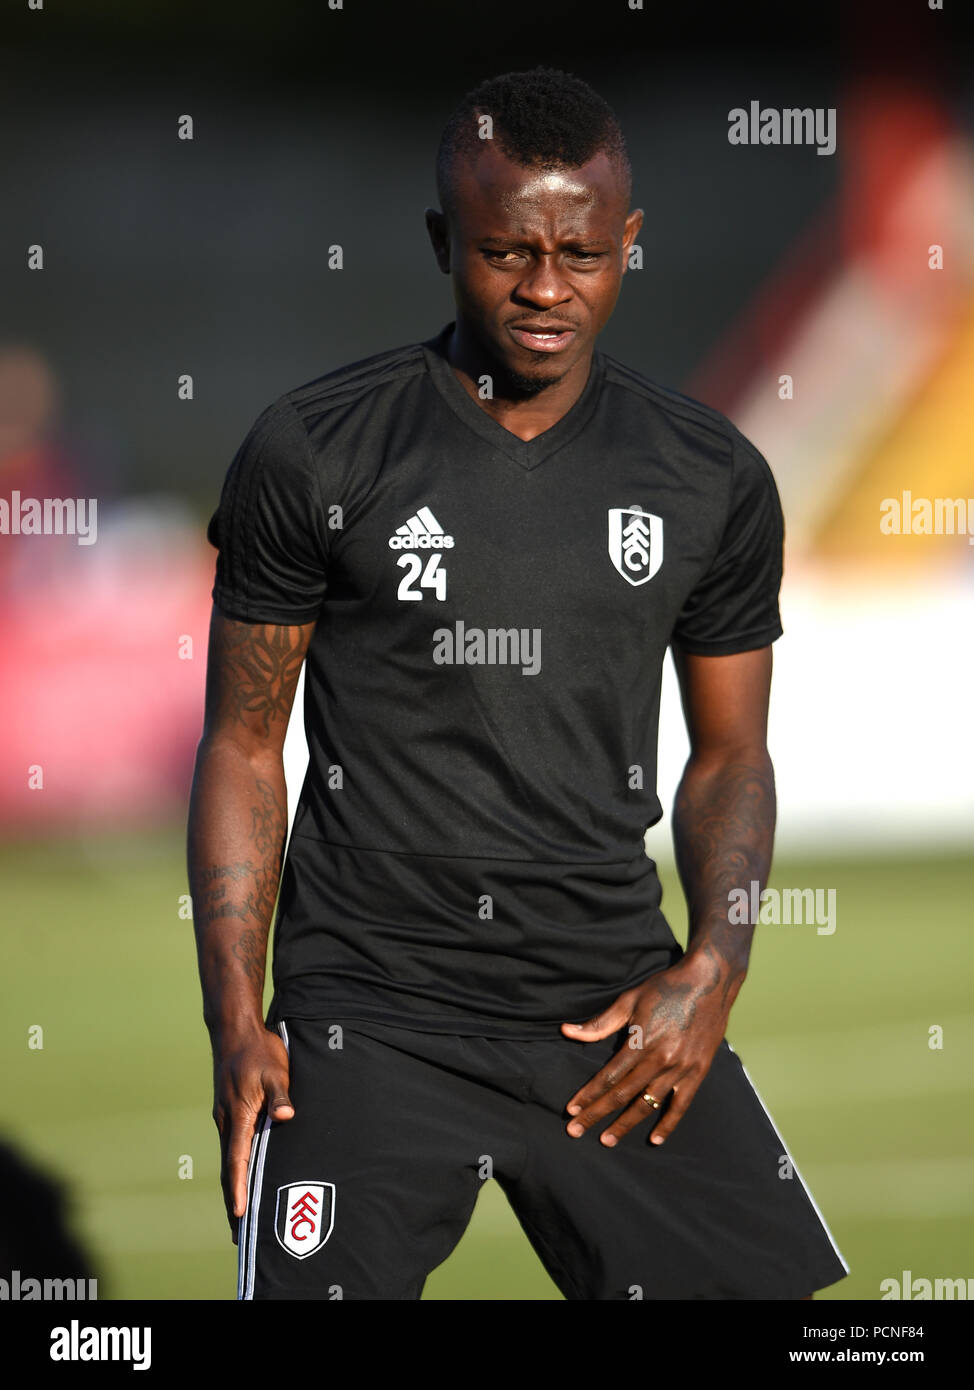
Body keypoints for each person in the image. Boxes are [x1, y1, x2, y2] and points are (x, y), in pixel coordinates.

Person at [188, 66, 849, 1301]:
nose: (546, 290)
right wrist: (236, 1018)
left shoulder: (707, 475)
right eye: (504, 252)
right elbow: (239, 745)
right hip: (366, 1016)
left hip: (608, 1015)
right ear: (444, 240)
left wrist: (714, 967)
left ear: (628, 246)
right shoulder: (314, 449)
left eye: (582, 255)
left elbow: (728, 758)